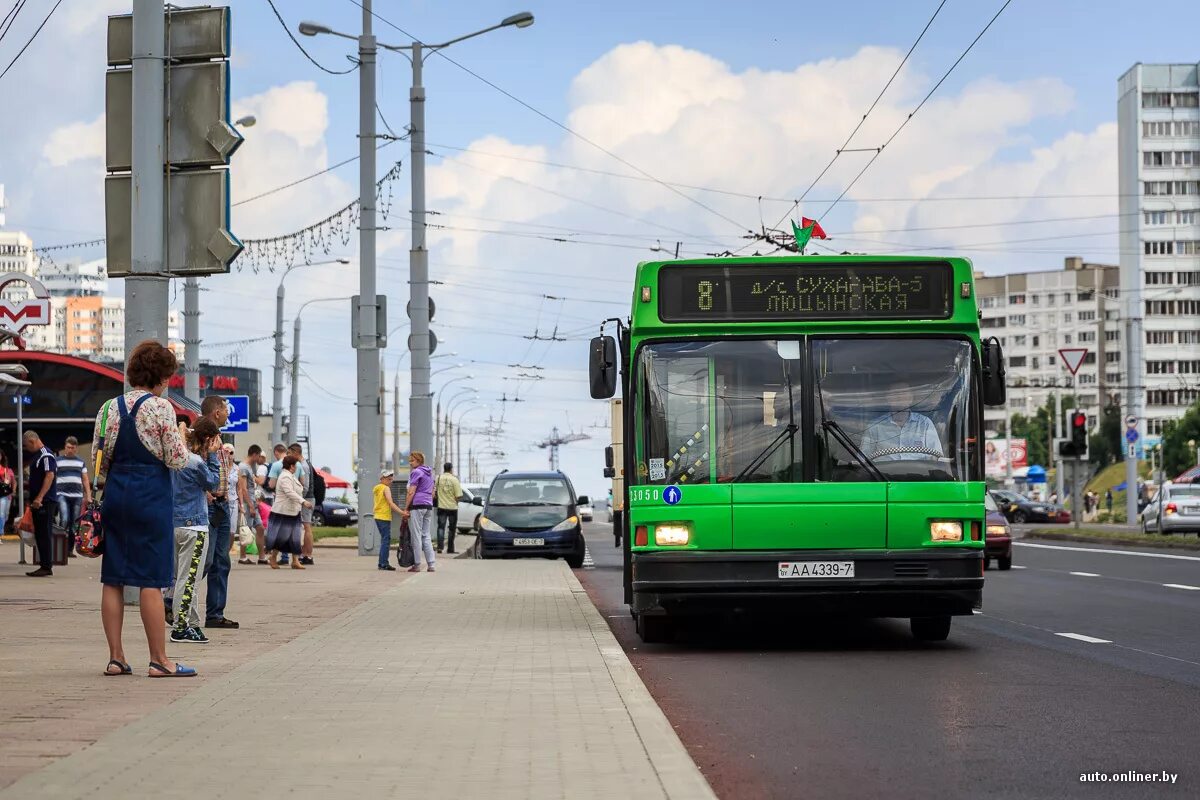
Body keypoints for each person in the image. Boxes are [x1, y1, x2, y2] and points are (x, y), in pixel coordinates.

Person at [94, 339, 195, 678]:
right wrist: (181, 434)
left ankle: (115, 657)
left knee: (114, 578)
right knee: (152, 579)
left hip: (116, 496)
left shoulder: (108, 408)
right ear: (160, 376)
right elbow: (176, 460)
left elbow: (99, 461)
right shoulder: (161, 408)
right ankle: (159, 660)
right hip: (150, 496)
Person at [168, 418, 222, 644]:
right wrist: (214, 457)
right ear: (209, 439)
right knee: (187, 580)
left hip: (176, 523)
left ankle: (192, 624)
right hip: (195, 527)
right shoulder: (197, 462)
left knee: (186, 577)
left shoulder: (177, 456)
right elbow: (214, 483)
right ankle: (180, 627)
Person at [859, 387, 943, 462]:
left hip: (920, 477)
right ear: (888, 399)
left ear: (911, 398)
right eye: (895, 394)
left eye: (904, 394)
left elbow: (937, 458)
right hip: (882, 476)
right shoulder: (875, 426)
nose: (900, 397)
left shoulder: (925, 423)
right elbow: (863, 460)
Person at [265, 454, 309, 569]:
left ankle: (295, 560)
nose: (297, 467)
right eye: (295, 465)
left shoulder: (291, 476)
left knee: (296, 536)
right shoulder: (285, 476)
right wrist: (303, 501)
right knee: (281, 537)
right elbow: (289, 492)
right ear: (291, 466)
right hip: (283, 512)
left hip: (293, 511)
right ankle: (273, 557)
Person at [23, 431, 58, 577]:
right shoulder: (37, 456)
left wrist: (39, 498)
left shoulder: (46, 455)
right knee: (40, 534)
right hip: (39, 502)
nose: (26, 448)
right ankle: (44, 564)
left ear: (32, 441)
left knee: (44, 534)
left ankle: (46, 565)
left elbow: (50, 476)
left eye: (26, 445)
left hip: (45, 502)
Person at [56, 436, 91, 556]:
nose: (70, 450)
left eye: (72, 448)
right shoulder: (58, 461)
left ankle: (69, 549)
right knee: (64, 519)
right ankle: (59, 547)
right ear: (65, 447)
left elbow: (85, 479)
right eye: (68, 447)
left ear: (76, 449)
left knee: (74, 524)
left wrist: (89, 496)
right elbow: (51, 477)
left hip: (77, 495)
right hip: (61, 494)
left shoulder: (80, 462)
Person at [403, 451, 436, 573]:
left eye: (412, 461)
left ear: (418, 460)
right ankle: (431, 564)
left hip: (418, 505)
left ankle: (417, 564)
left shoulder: (416, 472)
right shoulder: (429, 473)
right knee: (426, 534)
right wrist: (428, 501)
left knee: (416, 535)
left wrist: (406, 508)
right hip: (428, 505)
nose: (410, 463)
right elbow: (433, 492)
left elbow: (411, 492)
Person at [237, 445, 267, 565]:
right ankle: (242, 556)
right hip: (247, 503)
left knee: (260, 528)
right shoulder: (243, 467)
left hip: (253, 502)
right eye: (259, 455)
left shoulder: (251, 467)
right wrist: (249, 505)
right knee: (246, 529)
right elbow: (243, 488)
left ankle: (262, 557)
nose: (259, 458)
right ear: (254, 454)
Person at [289, 443, 317, 567]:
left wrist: (300, 499)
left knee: (306, 526)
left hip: (306, 498)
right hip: (309, 498)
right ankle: (306, 554)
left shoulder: (303, 466)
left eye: (290, 453)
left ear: (296, 452)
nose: (289, 456)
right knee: (307, 526)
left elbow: (304, 486)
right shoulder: (307, 463)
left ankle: (307, 555)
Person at [373, 470, 403, 571]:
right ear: (382, 479)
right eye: (388, 479)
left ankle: (382, 563)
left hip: (377, 516)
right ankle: (383, 563)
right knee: (386, 541)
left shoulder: (377, 488)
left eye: (391, 479)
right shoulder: (386, 488)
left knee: (384, 540)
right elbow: (391, 503)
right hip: (384, 517)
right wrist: (402, 513)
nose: (391, 481)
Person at [435, 462, 462, 554]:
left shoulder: (438, 478)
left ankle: (440, 547)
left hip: (441, 507)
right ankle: (450, 549)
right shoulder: (454, 480)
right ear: (451, 469)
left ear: (444, 468)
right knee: (451, 529)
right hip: (452, 508)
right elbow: (458, 496)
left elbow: (434, 492)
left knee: (441, 527)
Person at [0, 450, 13, 537]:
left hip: (3, 494)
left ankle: (1, 530)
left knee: (4, 514)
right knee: (1, 513)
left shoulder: (5, 469)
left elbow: (9, 481)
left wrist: (6, 481)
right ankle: (0, 531)